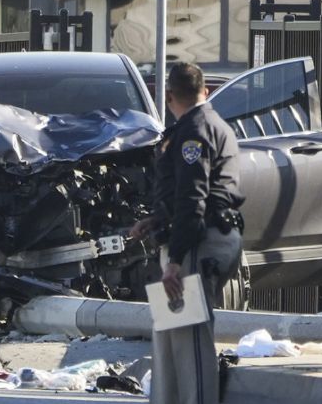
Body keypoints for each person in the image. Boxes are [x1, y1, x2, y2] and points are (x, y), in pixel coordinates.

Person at [130, 62, 245, 403]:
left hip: (198, 242)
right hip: (200, 235)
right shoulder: (209, 124)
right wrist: (155, 220)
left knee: (190, 341)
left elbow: (192, 198)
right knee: (169, 338)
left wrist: (176, 262)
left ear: (168, 96)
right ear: (204, 90)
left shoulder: (194, 131)